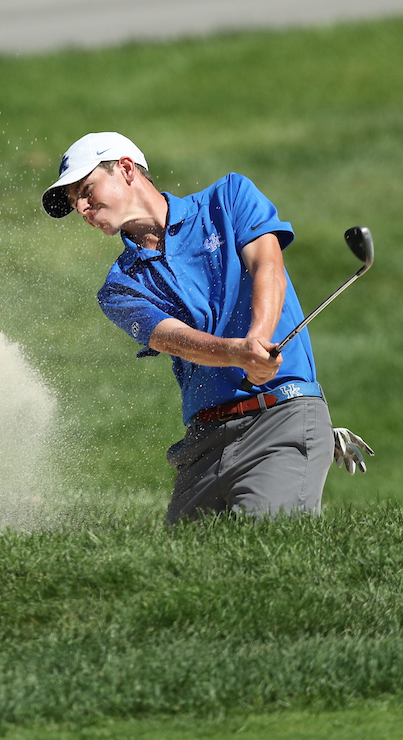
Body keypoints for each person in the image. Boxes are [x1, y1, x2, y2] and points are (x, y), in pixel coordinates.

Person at [42, 131, 373, 523]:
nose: (81, 208)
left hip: (279, 416)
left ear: (127, 169)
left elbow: (267, 265)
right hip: (204, 444)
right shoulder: (119, 286)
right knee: (181, 561)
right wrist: (238, 353)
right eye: (74, 202)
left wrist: (258, 339)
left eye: (86, 191)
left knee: (265, 547)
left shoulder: (229, 198)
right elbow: (175, 339)